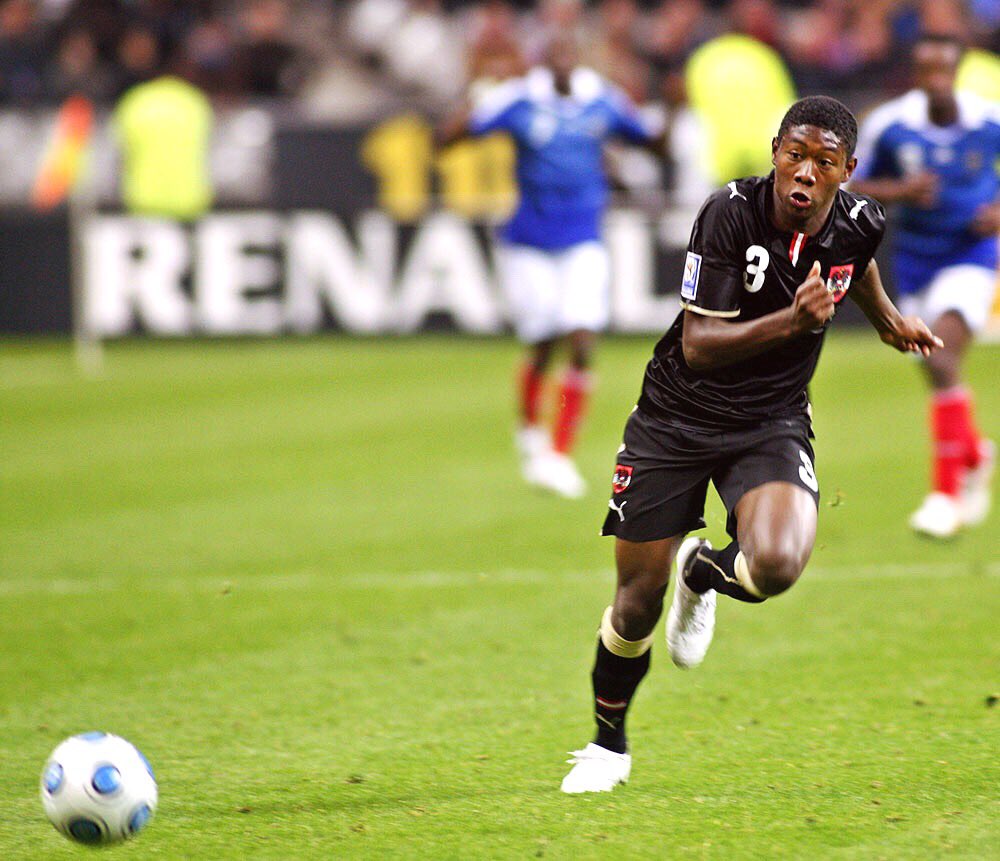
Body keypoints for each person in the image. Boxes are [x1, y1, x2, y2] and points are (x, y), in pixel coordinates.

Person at [560, 95, 943, 794]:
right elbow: (700, 345)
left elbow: (853, 262)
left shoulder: (862, 220)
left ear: (847, 171)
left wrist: (887, 320)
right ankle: (607, 744)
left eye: (824, 162)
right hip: (675, 417)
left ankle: (704, 572)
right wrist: (794, 323)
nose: (805, 173)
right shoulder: (728, 213)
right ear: (775, 153)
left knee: (777, 564)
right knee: (637, 599)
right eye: (795, 155)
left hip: (770, 421)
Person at [438, 34, 664, 498]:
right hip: (529, 243)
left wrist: (675, 108)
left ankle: (559, 453)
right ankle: (529, 428)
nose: (562, 63)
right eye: (554, 55)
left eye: (568, 54)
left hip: (582, 239)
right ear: (542, 61)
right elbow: (449, 140)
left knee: (580, 338)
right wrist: (474, 96)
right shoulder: (519, 99)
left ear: (576, 60)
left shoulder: (601, 98)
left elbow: (651, 142)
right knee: (543, 343)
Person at [850, 33, 999, 540]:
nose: (935, 80)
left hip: (971, 257)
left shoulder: (988, 121)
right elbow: (851, 183)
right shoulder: (891, 125)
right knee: (935, 370)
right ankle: (974, 452)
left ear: (957, 72)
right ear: (915, 74)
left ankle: (944, 497)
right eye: (926, 71)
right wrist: (900, 191)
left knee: (940, 360)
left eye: (944, 70)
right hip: (913, 263)